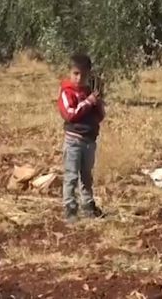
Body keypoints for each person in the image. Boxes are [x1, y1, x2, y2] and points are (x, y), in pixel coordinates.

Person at [57, 53, 105, 223]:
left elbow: (99, 117)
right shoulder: (67, 92)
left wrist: (98, 104)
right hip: (74, 141)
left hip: (89, 140)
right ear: (70, 73)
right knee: (71, 175)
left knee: (86, 175)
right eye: (76, 74)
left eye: (83, 75)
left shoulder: (88, 92)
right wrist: (88, 103)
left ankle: (88, 204)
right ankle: (70, 206)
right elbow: (70, 114)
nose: (79, 78)